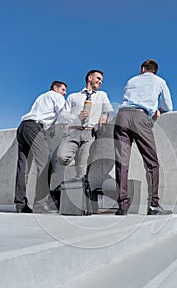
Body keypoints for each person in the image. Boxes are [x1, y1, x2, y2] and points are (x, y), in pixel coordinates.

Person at [114, 59, 173, 215]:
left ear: (142, 69)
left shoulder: (131, 80)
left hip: (122, 117)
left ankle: (122, 206)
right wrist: (156, 109)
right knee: (152, 163)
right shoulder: (160, 81)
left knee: (122, 163)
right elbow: (168, 106)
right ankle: (153, 205)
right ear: (154, 70)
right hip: (141, 118)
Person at [14, 81, 67, 213]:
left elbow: (46, 116)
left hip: (23, 127)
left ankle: (20, 204)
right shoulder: (56, 96)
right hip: (35, 129)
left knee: (23, 169)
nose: (64, 93)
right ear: (55, 88)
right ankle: (40, 203)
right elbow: (64, 113)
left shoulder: (42, 97)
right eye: (63, 89)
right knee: (45, 164)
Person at [57, 70, 113, 178]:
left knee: (83, 169)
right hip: (73, 131)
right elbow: (63, 115)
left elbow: (109, 110)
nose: (100, 81)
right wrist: (76, 117)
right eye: (98, 78)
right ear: (90, 78)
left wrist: (105, 115)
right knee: (61, 157)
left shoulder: (102, 95)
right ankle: (74, 163)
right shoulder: (73, 97)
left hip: (90, 133)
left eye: (101, 80)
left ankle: (81, 188)